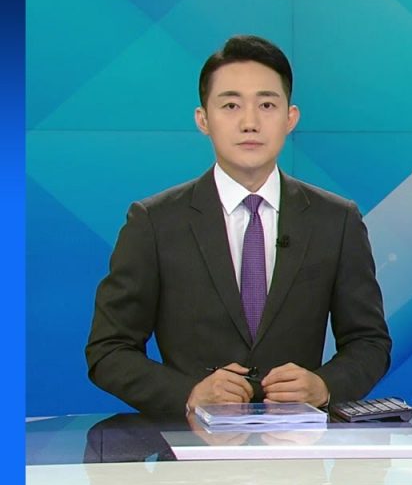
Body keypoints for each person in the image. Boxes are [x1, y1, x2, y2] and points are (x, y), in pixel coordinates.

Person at [86, 35, 392, 415]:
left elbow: (369, 342)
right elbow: (108, 350)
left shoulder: (336, 220)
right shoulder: (155, 222)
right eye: (231, 105)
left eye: (267, 105)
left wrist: (325, 386)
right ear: (203, 120)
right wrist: (189, 394)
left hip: (298, 445)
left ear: (290, 118)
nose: (250, 123)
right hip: (192, 445)